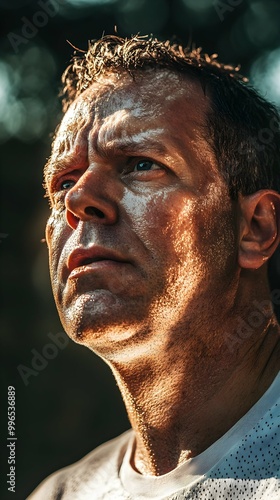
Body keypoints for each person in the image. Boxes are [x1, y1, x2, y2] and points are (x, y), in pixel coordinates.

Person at [28, 35, 280, 499]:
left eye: (141, 164)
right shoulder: (59, 493)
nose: (79, 199)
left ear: (255, 229)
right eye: (63, 181)